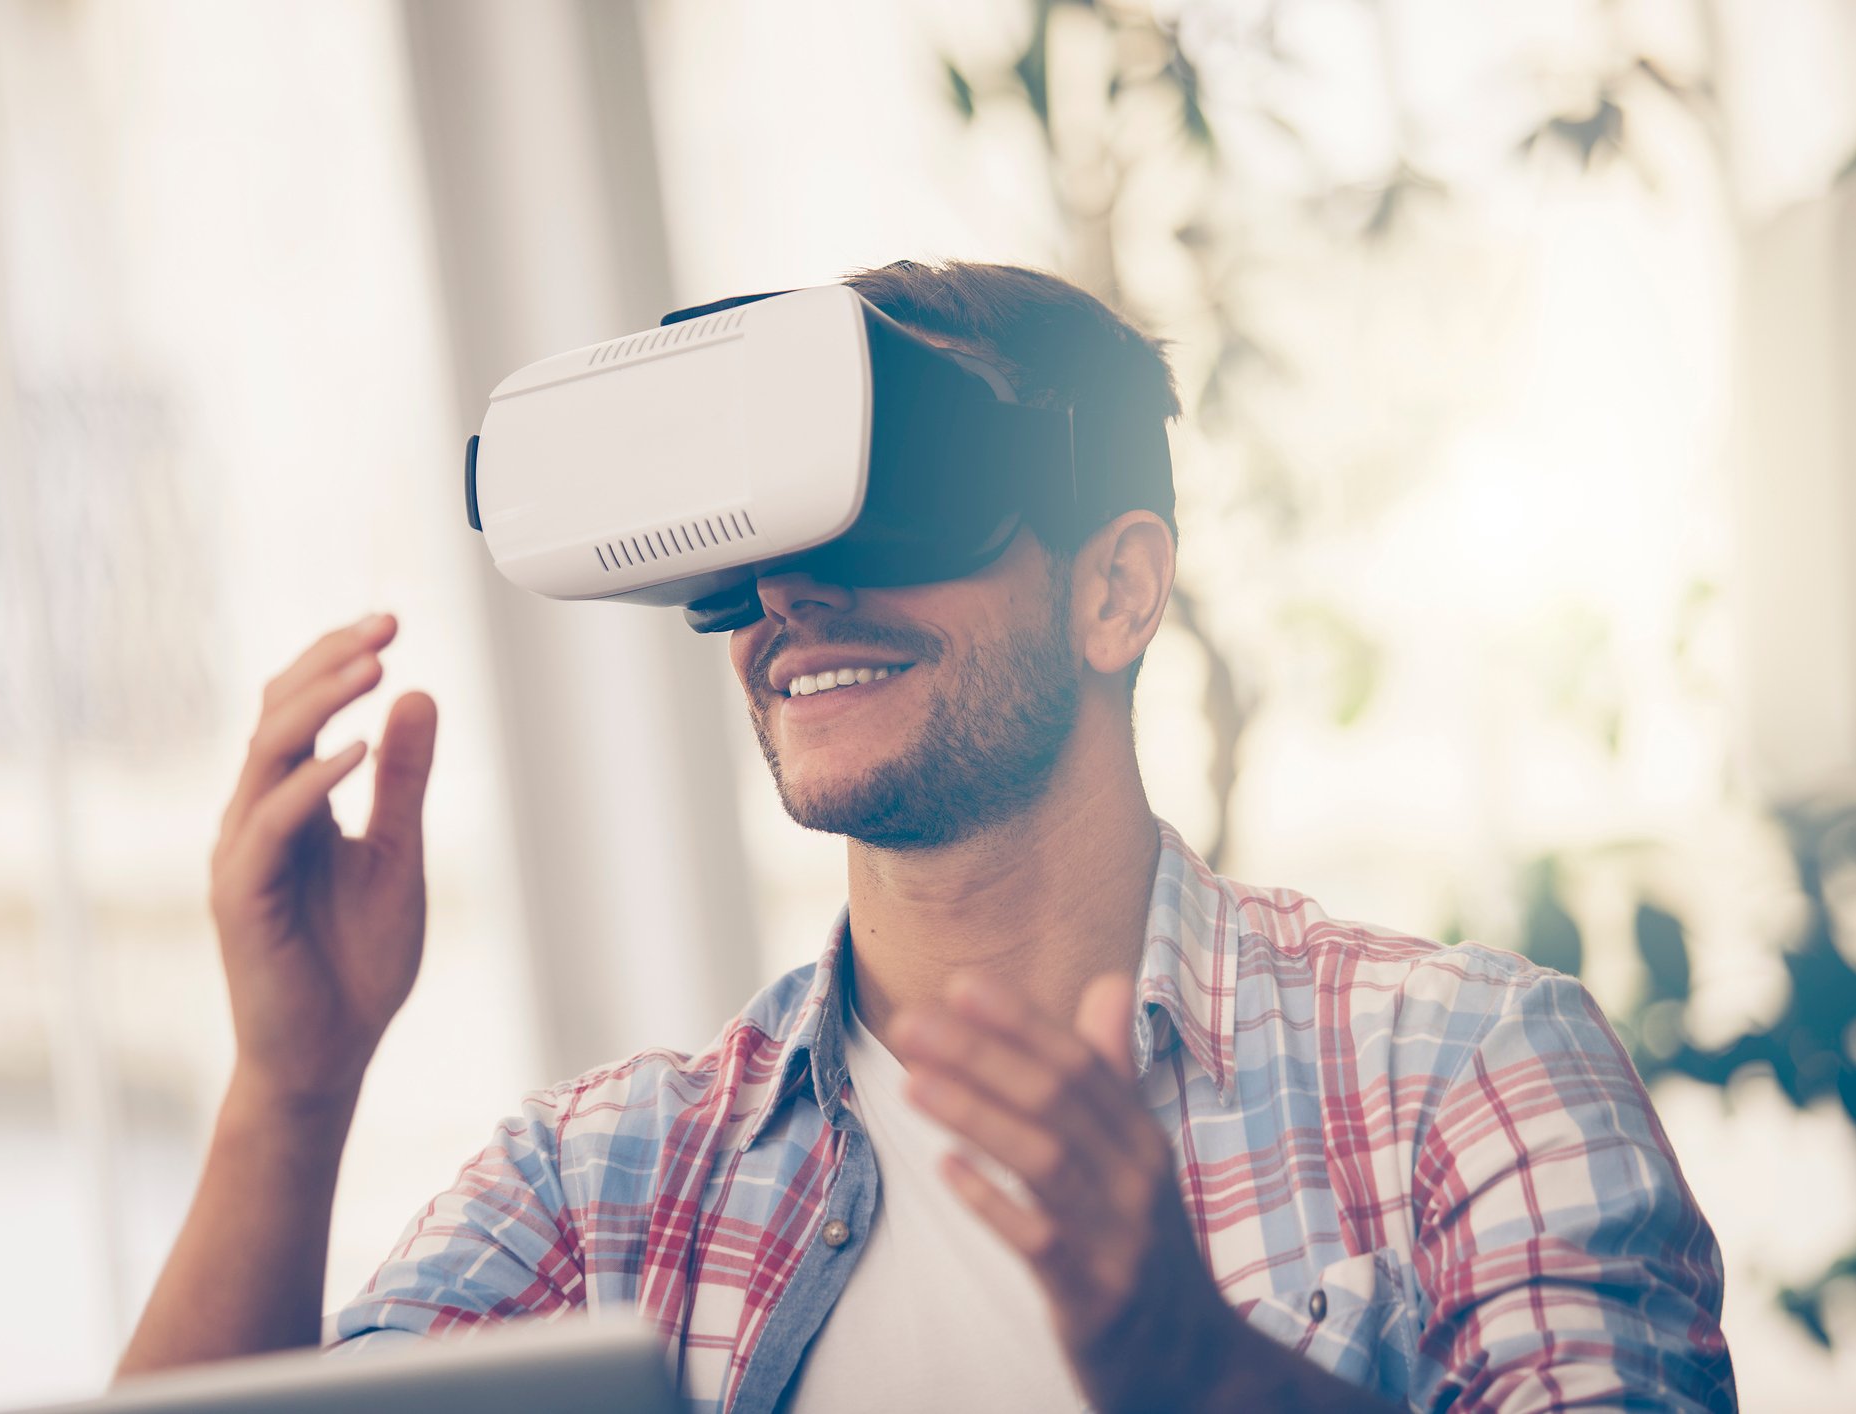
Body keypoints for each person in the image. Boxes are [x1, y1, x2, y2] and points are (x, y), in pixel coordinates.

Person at [117, 261, 1737, 1413]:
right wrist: (292, 1087)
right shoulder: (605, 1182)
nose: (795, 597)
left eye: (885, 510)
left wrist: (1193, 1370)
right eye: (759, 545)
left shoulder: (1461, 1072)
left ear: (1114, 589)